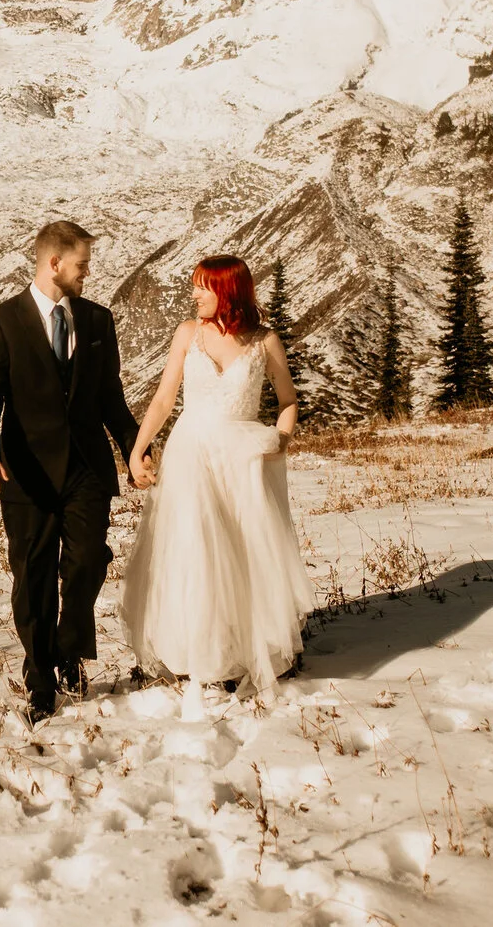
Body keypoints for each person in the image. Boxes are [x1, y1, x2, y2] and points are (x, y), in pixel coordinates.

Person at [0, 220, 141, 722]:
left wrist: (134, 449)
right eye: (83, 264)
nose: (89, 273)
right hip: (26, 473)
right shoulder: (1, 321)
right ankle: (41, 680)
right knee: (34, 577)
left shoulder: (98, 321)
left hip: (87, 467)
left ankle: (68, 647)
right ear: (55, 264)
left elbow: (111, 397)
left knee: (88, 561)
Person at [118, 254, 310, 700]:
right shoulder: (188, 333)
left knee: (243, 552)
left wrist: (280, 441)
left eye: (203, 287)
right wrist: (138, 448)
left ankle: (241, 649)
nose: (194, 294)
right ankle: (199, 650)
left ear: (227, 291)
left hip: (241, 458)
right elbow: (166, 398)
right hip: (192, 456)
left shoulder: (265, 341)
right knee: (196, 550)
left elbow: (288, 400)